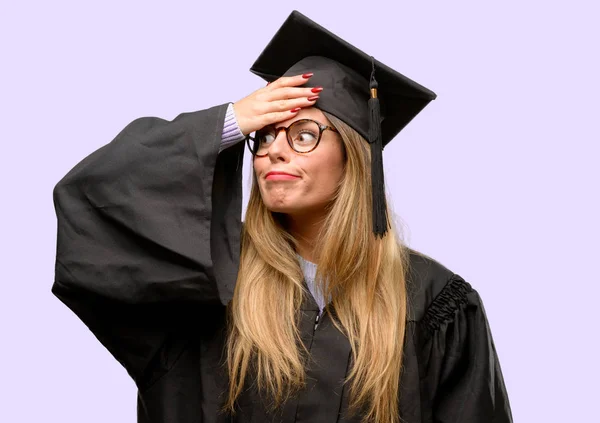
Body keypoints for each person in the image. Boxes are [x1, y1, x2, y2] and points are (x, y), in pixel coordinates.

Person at [51, 10, 513, 423]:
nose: (273, 151)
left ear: (354, 157)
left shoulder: (434, 303)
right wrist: (231, 121)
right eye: (265, 136)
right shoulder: (209, 281)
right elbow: (90, 202)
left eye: (303, 135)